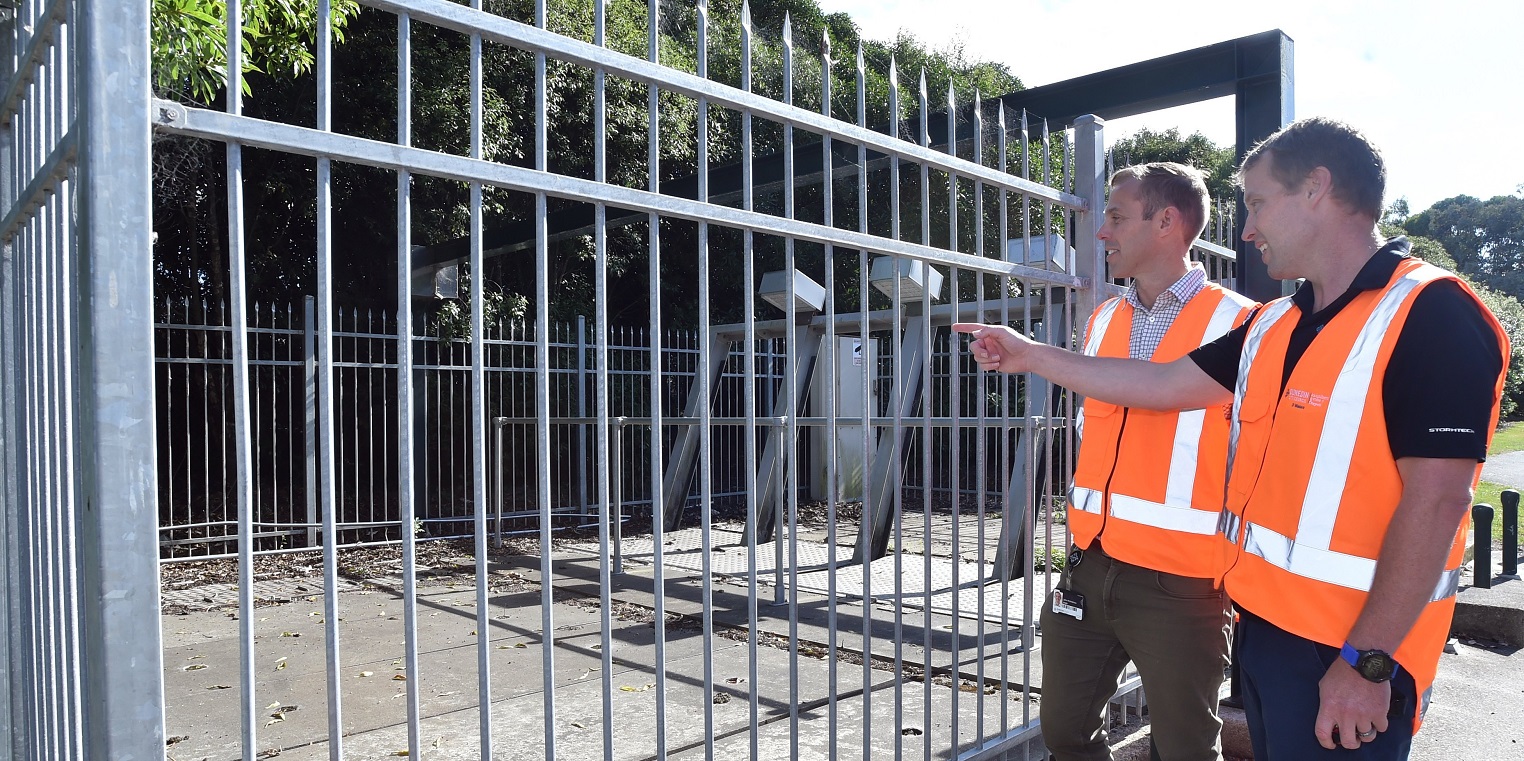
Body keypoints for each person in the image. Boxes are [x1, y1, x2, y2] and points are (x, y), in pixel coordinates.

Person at [955, 117, 1509, 761]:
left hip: (1351, 655)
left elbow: (1440, 503)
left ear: (1317, 189)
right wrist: (1030, 357)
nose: (1246, 229)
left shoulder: (1432, 312)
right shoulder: (1277, 322)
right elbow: (1162, 385)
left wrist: (1367, 664)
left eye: (1257, 202)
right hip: (1267, 634)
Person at [1025, 162, 1255, 761]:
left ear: (1167, 222)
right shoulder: (1104, 318)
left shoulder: (1242, 324)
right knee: (1066, 734)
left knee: (1185, 751)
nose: (1101, 232)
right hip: (1088, 566)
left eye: (1116, 216)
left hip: (1183, 586)